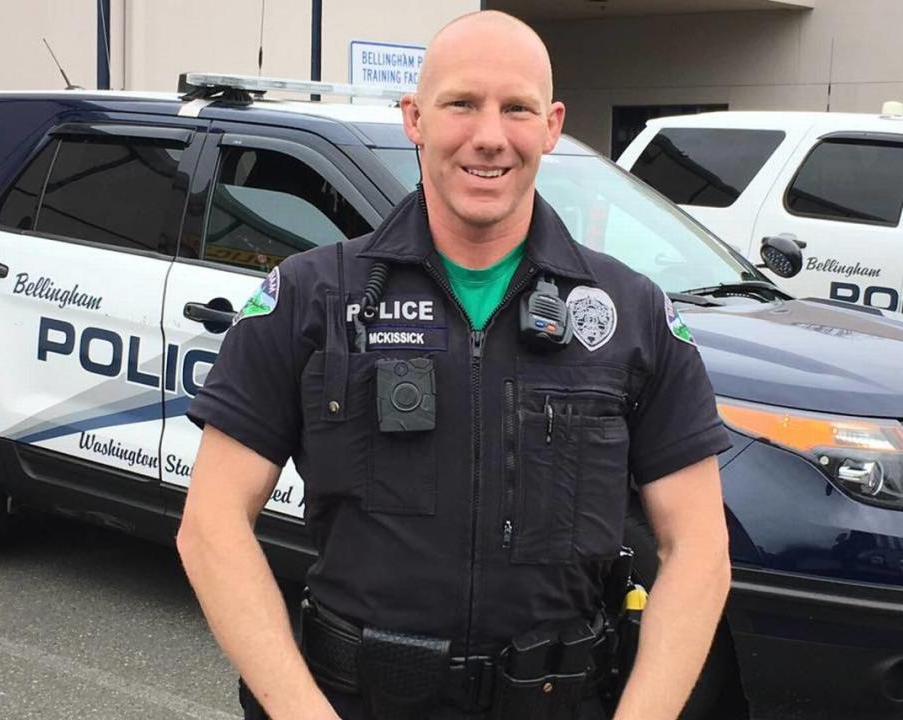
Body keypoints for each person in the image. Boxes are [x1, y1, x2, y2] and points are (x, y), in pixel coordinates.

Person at [177, 10, 733, 720]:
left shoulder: (633, 314)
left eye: (517, 109)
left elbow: (698, 549)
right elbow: (212, 524)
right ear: (415, 117)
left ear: (553, 124)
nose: (490, 136)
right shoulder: (314, 297)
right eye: (462, 103)